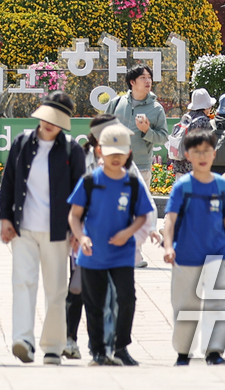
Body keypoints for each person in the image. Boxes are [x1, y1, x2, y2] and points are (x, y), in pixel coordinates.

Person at [0, 91, 85, 365]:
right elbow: (8, 182)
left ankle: (53, 347)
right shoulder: (22, 143)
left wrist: (78, 230)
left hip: (58, 231)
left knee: (56, 289)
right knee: (22, 283)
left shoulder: (72, 150)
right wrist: (5, 218)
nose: (49, 124)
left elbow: (81, 194)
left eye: (56, 120)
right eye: (47, 117)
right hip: (23, 228)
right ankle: (23, 340)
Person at [67, 124, 153, 366]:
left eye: (121, 152)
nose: (116, 157)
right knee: (93, 304)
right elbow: (74, 215)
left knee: (127, 299)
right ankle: (98, 351)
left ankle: (120, 347)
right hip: (92, 254)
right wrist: (81, 236)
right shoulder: (89, 181)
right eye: (110, 152)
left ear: (129, 153)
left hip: (121, 254)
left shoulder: (133, 183)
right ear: (99, 151)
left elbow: (143, 216)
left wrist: (128, 233)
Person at [162, 127, 225, 366]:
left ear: (214, 154)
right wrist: (168, 247)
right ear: (187, 155)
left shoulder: (223, 187)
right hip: (185, 255)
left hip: (217, 254)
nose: (202, 156)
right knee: (185, 304)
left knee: (217, 304)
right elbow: (170, 219)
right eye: (196, 151)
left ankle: (214, 352)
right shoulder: (182, 187)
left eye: (207, 151)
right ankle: (183, 352)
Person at [103, 66, 169, 174]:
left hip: (141, 168)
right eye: (143, 77)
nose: (148, 81)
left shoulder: (156, 108)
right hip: (115, 166)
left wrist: (147, 131)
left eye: (149, 77)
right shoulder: (116, 103)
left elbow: (164, 138)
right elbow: (102, 131)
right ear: (132, 82)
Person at [170, 89, 215, 175]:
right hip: (194, 168)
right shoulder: (204, 121)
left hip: (179, 165)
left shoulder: (186, 117)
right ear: (207, 107)